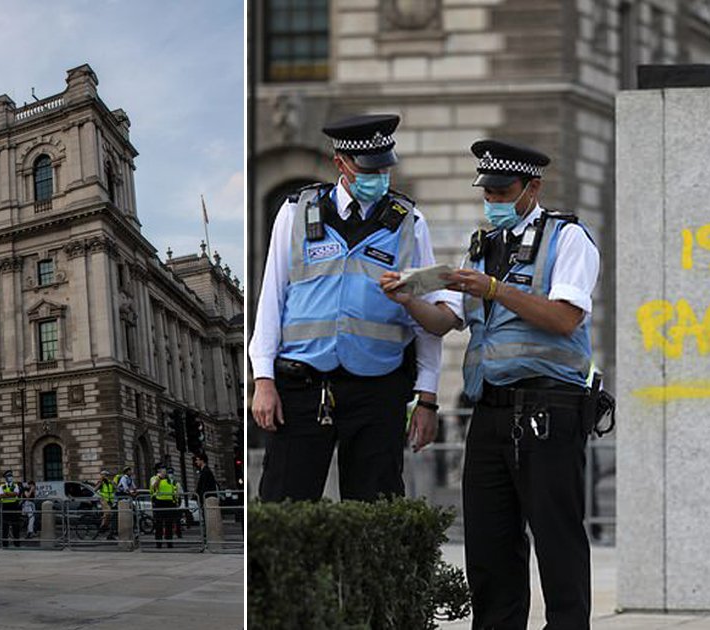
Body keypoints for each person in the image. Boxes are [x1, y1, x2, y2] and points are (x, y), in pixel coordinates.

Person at [431, 140, 599, 628]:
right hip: (489, 412)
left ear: (532, 188)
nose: (494, 201)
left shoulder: (567, 238)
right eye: (488, 192)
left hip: (549, 409)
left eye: (504, 191)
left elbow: (565, 317)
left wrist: (495, 289)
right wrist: (408, 297)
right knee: (490, 545)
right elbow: (445, 321)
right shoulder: (482, 247)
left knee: (557, 541)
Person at [249, 114, 453, 502]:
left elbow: (426, 318)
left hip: (377, 389)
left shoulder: (412, 223)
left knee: (376, 508)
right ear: (341, 163)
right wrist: (263, 380)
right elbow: (271, 299)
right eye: (368, 168)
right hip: (301, 385)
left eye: (384, 167)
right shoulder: (294, 211)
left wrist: (427, 398)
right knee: (285, 505)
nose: (379, 176)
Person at [149, 463, 176, 549]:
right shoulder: (154, 478)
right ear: (158, 470)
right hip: (159, 502)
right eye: (163, 468)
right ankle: (159, 543)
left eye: (165, 468)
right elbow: (153, 487)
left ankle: (169, 542)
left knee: (169, 524)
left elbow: (174, 489)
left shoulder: (170, 479)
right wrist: (159, 478)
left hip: (169, 502)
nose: (165, 470)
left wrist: (175, 500)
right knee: (159, 524)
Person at [0, 471, 22, 548]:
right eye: (8, 476)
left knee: (15, 525)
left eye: (11, 476)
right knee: (5, 526)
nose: (10, 477)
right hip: (5, 506)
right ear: (5, 478)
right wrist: (10, 494)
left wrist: (6, 494)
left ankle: (17, 543)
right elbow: (0, 496)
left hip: (14, 506)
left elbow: (16, 494)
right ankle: (5, 544)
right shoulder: (2, 486)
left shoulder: (15, 485)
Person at [94, 469, 116, 540]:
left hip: (110, 501)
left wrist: (114, 484)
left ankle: (105, 529)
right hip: (104, 500)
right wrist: (100, 483)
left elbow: (116, 489)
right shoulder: (101, 483)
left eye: (107, 476)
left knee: (109, 516)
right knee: (108, 512)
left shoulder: (110, 482)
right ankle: (103, 527)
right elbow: (94, 490)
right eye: (104, 475)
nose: (106, 477)